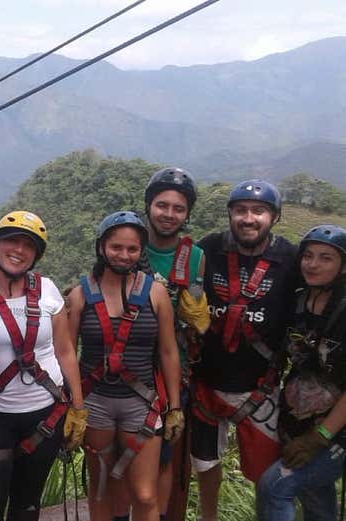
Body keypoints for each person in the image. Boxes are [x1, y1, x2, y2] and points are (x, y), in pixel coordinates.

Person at [0, 210, 87, 521]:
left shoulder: (48, 290)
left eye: (28, 245)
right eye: (11, 241)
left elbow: (65, 351)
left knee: (26, 506)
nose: (18, 250)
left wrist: (77, 406)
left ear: (36, 254)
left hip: (45, 416)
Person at [191, 179, 298, 521]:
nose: (248, 218)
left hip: (260, 386)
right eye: (240, 211)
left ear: (274, 217)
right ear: (229, 215)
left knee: (266, 475)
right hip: (207, 380)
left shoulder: (290, 259)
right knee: (205, 464)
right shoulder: (208, 250)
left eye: (258, 211)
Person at [68, 210, 183, 521]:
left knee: (145, 493)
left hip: (142, 402)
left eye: (132, 249)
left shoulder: (155, 293)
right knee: (102, 486)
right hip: (96, 403)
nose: (124, 255)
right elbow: (66, 352)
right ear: (102, 247)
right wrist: (72, 405)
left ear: (140, 251)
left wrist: (174, 406)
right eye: (116, 247)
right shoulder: (80, 295)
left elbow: (169, 351)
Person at [257, 225, 346, 521]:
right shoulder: (298, 300)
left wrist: (319, 437)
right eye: (307, 256)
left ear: (342, 266)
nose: (313, 264)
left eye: (325, 258)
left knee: (275, 486)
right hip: (296, 423)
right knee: (316, 499)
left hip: (333, 434)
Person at [143, 168, 209, 521]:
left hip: (173, 369)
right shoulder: (129, 243)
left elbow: (195, 315)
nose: (169, 214)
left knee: (166, 456)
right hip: (128, 364)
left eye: (178, 208)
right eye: (162, 205)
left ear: (186, 214)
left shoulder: (194, 257)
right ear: (149, 206)